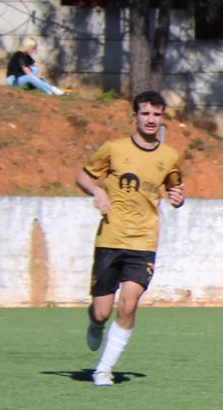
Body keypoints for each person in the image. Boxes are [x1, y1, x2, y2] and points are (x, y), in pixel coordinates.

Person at [75, 90, 184, 387]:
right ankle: (95, 324)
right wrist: (97, 191)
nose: (151, 120)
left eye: (157, 114)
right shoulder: (113, 149)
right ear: (134, 116)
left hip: (144, 242)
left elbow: (176, 189)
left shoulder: (169, 156)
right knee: (101, 311)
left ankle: (104, 369)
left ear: (162, 118)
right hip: (110, 238)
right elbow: (84, 176)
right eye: (145, 113)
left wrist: (178, 197)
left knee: (129, 304)